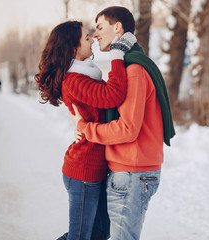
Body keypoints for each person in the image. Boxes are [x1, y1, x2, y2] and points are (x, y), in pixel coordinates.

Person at [70, 6, 176, 239]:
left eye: (99, 28)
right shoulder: (132, 64)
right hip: (132, 170)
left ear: (117, 27)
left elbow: (127, 129)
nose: (95, 35)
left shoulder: (134, 70)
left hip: (131, 173)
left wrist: (86, 129)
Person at [34, 20, 137, 240]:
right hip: (83, 172)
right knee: (80, 236)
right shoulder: (74, 80)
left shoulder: (86, 74)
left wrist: (82, 126)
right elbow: (112, 95)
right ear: (73, 47)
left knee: (100, 233)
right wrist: (117, 55)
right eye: (86, 37)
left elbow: (104, 102)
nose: (92, 40)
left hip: (95, 169)